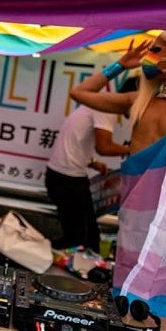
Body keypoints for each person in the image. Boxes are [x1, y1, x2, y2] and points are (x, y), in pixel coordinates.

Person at [70, 31, 166, 321]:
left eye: (156, 50)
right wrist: (120, 64)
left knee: (165, 302)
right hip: (134, 219)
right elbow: (80, 94)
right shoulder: (140, 101)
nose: (148, 57)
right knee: (126, 297)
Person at [45, 95, 131, 252]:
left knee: (88, 238)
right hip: (67, 180)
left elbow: (76, 140)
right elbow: (104, 147)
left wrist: (92, 162)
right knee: (80, 241)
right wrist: (136, 150)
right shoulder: (105, 109)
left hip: (65, 177)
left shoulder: (98, 105)